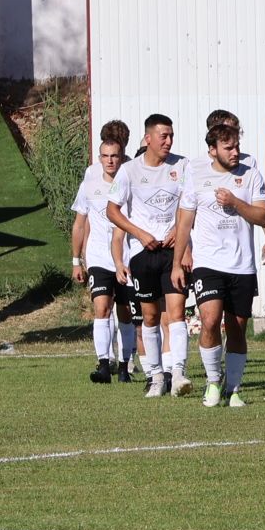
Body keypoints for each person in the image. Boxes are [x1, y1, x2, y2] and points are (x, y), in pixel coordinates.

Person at [177, 119, 265, 407]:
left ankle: (234, 388)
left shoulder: (252, 175)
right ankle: (213, 382)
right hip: (208, 263)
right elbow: (184, 222)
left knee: (237, 328)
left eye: (237, 147)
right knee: (209, 320)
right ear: (212, 150)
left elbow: (263, 217)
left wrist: (235, 203)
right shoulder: (195, 175)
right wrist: (177, 262)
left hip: (242, 265)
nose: (234, 152)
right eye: (228, 147)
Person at [108, 116, 190, 397]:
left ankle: (177, 373)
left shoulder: (182, 166)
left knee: (177, 313)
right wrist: (140, 234)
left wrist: (179, 231)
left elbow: (191, 204)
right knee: (150, 317)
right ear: (148, 139)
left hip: (173, 254)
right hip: (142, 254)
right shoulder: (129, 171)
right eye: (163, 136)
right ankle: (156, 377)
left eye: (171, 135)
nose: (168, 141)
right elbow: (112, 210)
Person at [72, 120, 138, 384]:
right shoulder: (90, 178)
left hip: (127, 256)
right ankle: (102, 364)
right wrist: (77, 259)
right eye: (105, 156)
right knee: (101, 307)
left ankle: (124, 365)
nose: (110, 161)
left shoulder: (133, 174)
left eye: (115, 155)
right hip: (99, 256)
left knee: (124, 312)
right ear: (99, 157)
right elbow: (81, 220)